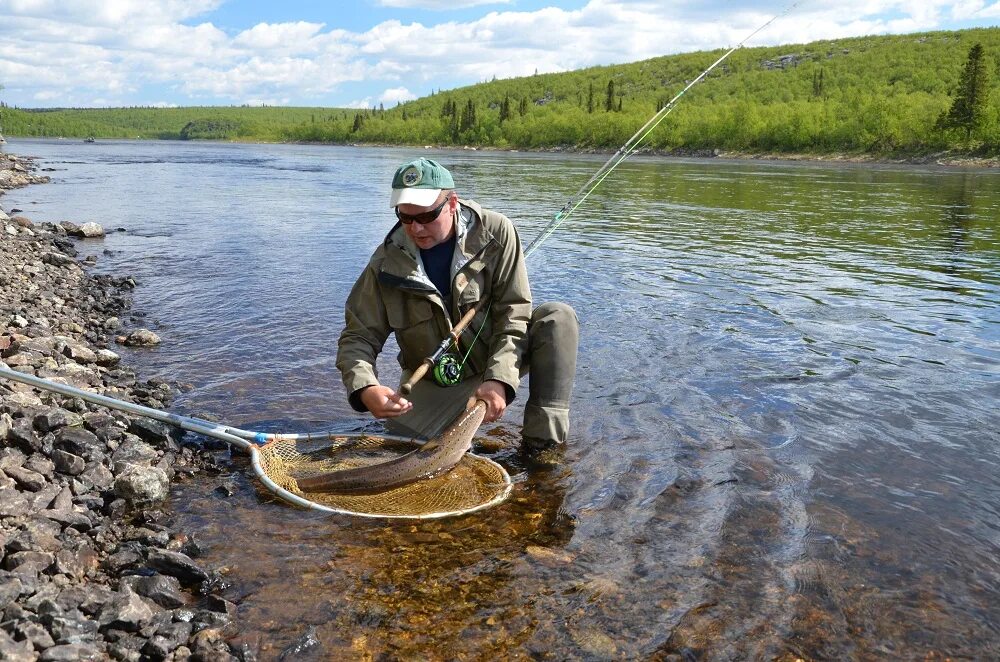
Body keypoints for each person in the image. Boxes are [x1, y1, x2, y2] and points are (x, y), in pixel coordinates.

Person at [336, 157, 578, 453]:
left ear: (452, 203)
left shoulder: (497, 232)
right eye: (405, 217)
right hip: (437, 380)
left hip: (498, 356)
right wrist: (365, 389)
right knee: (407, 445)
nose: (415, 228)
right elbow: (358, 337)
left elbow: (513, 316)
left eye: (426, 216)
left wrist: (499, 380)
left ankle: (542, 445)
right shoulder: (385, 263)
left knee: (557, 317)